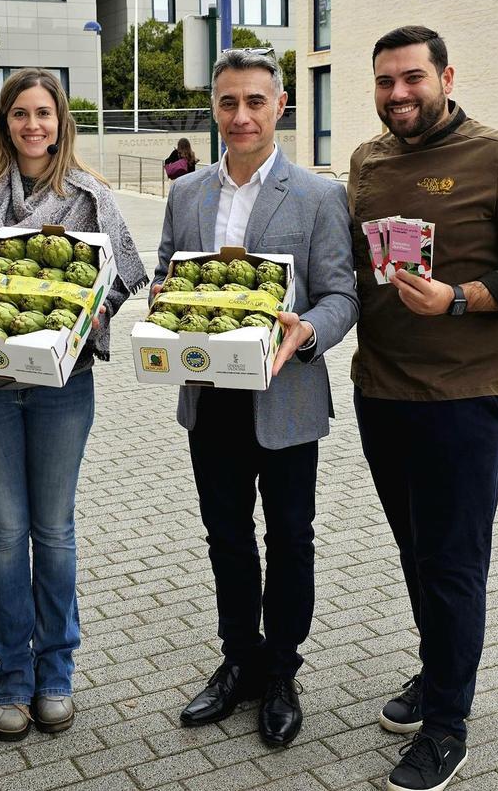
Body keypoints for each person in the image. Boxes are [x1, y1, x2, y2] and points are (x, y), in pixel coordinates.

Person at [348, 25, 498, 791]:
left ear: (446, 76)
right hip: (381, 391)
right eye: (385, 82)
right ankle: (438, 666)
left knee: (452, 562)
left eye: (412, 79)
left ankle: (447, 725)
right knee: (416, 552)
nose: (398, 95)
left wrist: (460, 298)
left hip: (466, 399)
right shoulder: (368, 161)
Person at [0, 68, 146, 743]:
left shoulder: (90, 200)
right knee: (4, 533)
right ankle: (11, 680)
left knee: (52, 531)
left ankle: (55, 674)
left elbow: (118, 283)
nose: (33, 125)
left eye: (44, 114)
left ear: (62, 122)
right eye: (20, 113)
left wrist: (87, 318)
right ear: (4, 122)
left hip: (60, 384)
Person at [153, 47, 358, 748]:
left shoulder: (318, 194)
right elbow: (166, 276)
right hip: (211, 398)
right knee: (228, 539)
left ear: (280, 107)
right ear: (214, 108)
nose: (240, 116)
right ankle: (239, 659)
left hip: (286, 395)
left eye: (255, 102)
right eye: (228, 102)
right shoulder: (187, 194)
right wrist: (162, 301)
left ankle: (282, 671)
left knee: (290, 539)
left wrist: (306, 335)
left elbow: (342, 295)